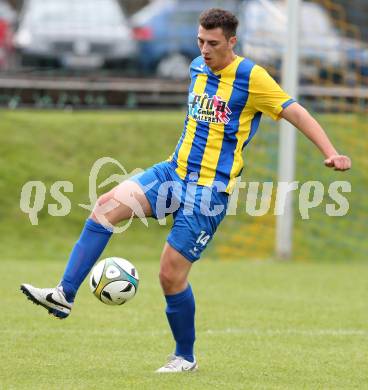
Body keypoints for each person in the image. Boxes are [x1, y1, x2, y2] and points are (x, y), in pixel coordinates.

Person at [20, 8, 351, 373]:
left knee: (170, 274)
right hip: (173, 172)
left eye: (212, 43)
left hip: (209, 191)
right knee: (105, 207)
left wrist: (331, 152)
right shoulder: (196, 66)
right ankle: (64, 294)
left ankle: (184, 357)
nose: (205, 49)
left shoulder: (252, 77)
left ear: (231, 42)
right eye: (200, 41)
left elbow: (296, 112)